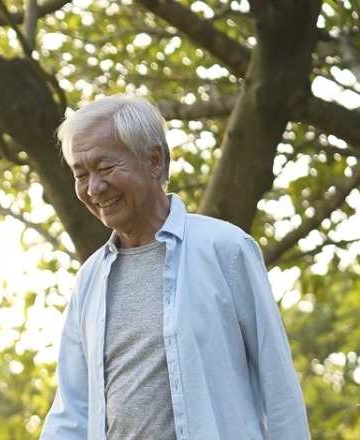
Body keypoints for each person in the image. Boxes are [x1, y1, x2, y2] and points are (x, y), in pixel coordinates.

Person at [40, 96, 308, 440]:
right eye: (81, 174)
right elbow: (72, 414)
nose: (94, 188)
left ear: (153, 160)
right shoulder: (89, 280)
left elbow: (279, 388)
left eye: (105, 168)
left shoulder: (226, 249)